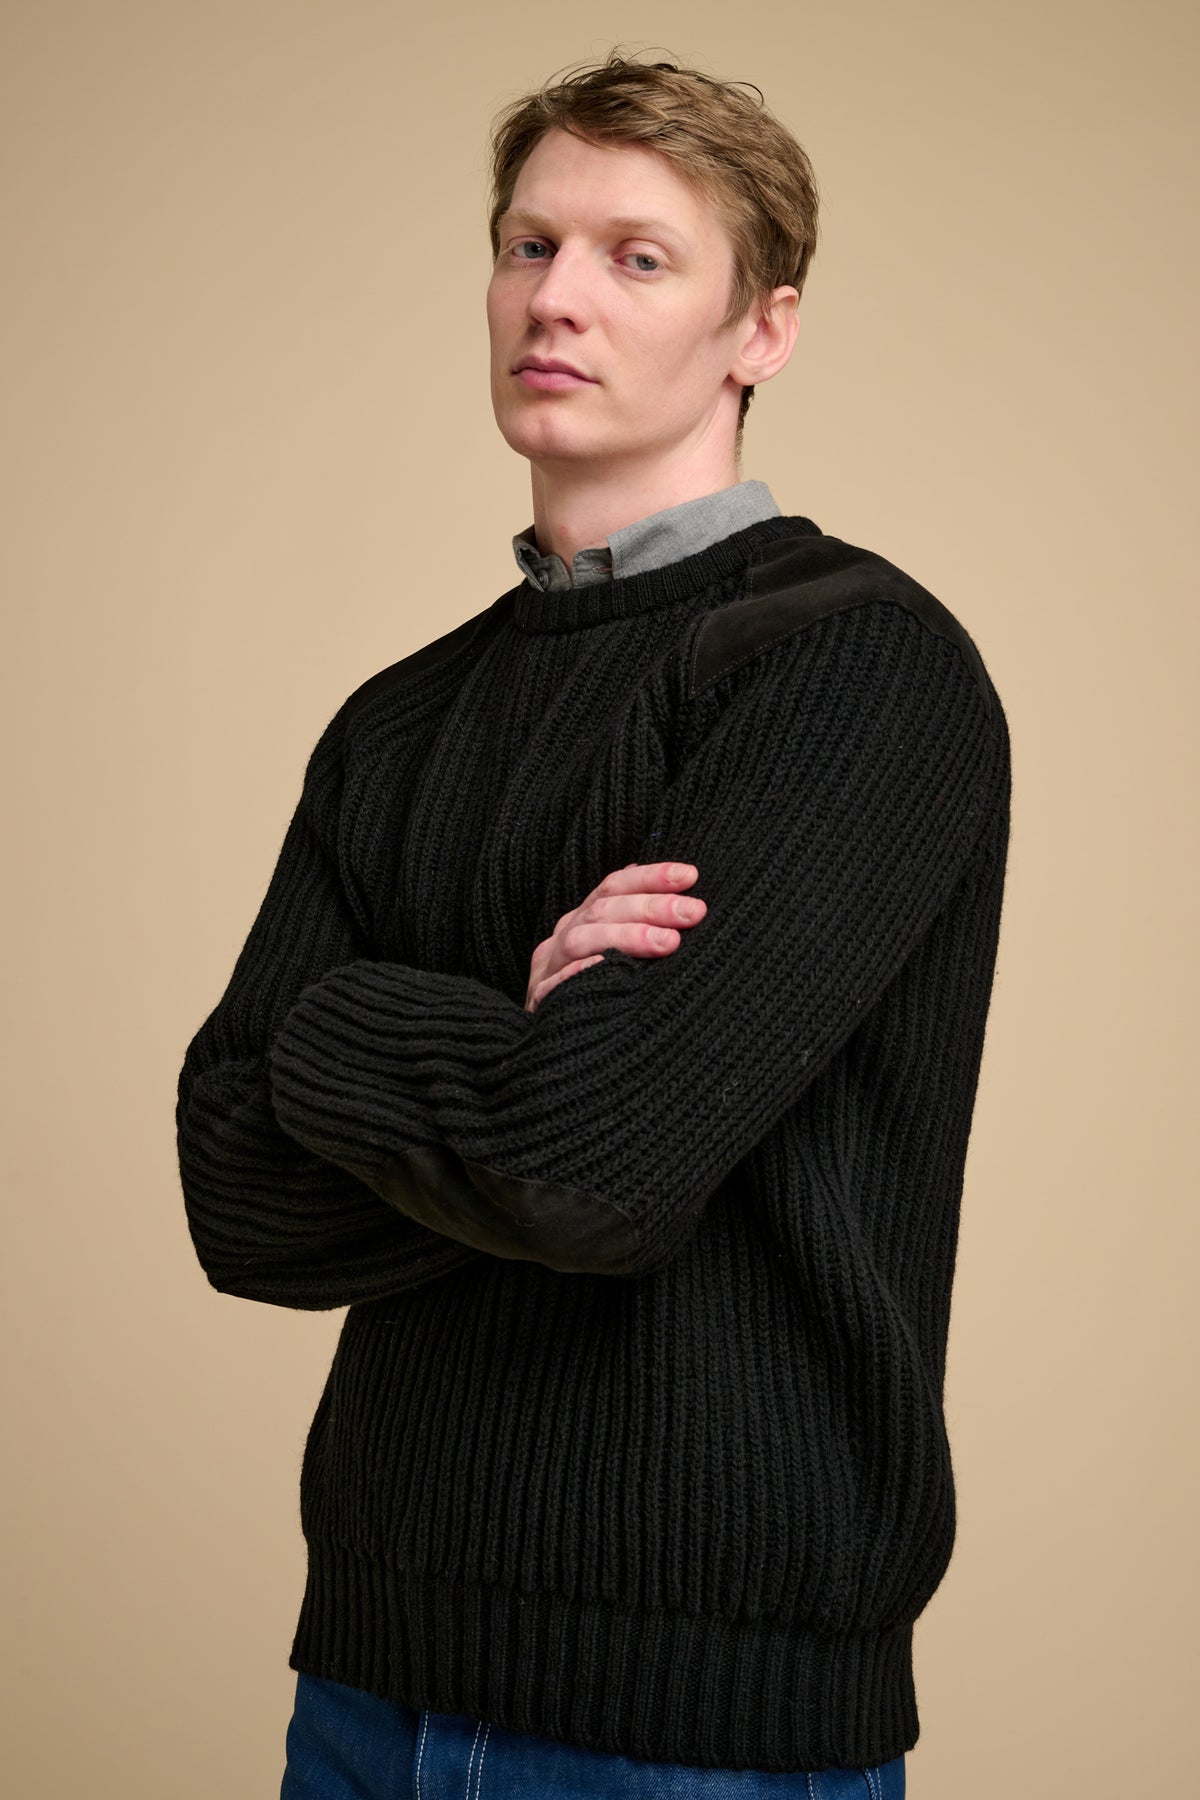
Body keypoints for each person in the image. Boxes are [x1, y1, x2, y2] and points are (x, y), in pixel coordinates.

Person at [175, 48, 1010, 1800]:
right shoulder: (397, 719)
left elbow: (592, 1173)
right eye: (526, 243)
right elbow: (234, 1189)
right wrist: (504, 1008)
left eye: (637, 256)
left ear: (760, 330)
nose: (555, 296)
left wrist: (348, 1032)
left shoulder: (854, 669)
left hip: (692, 1729)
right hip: (368, 1676)